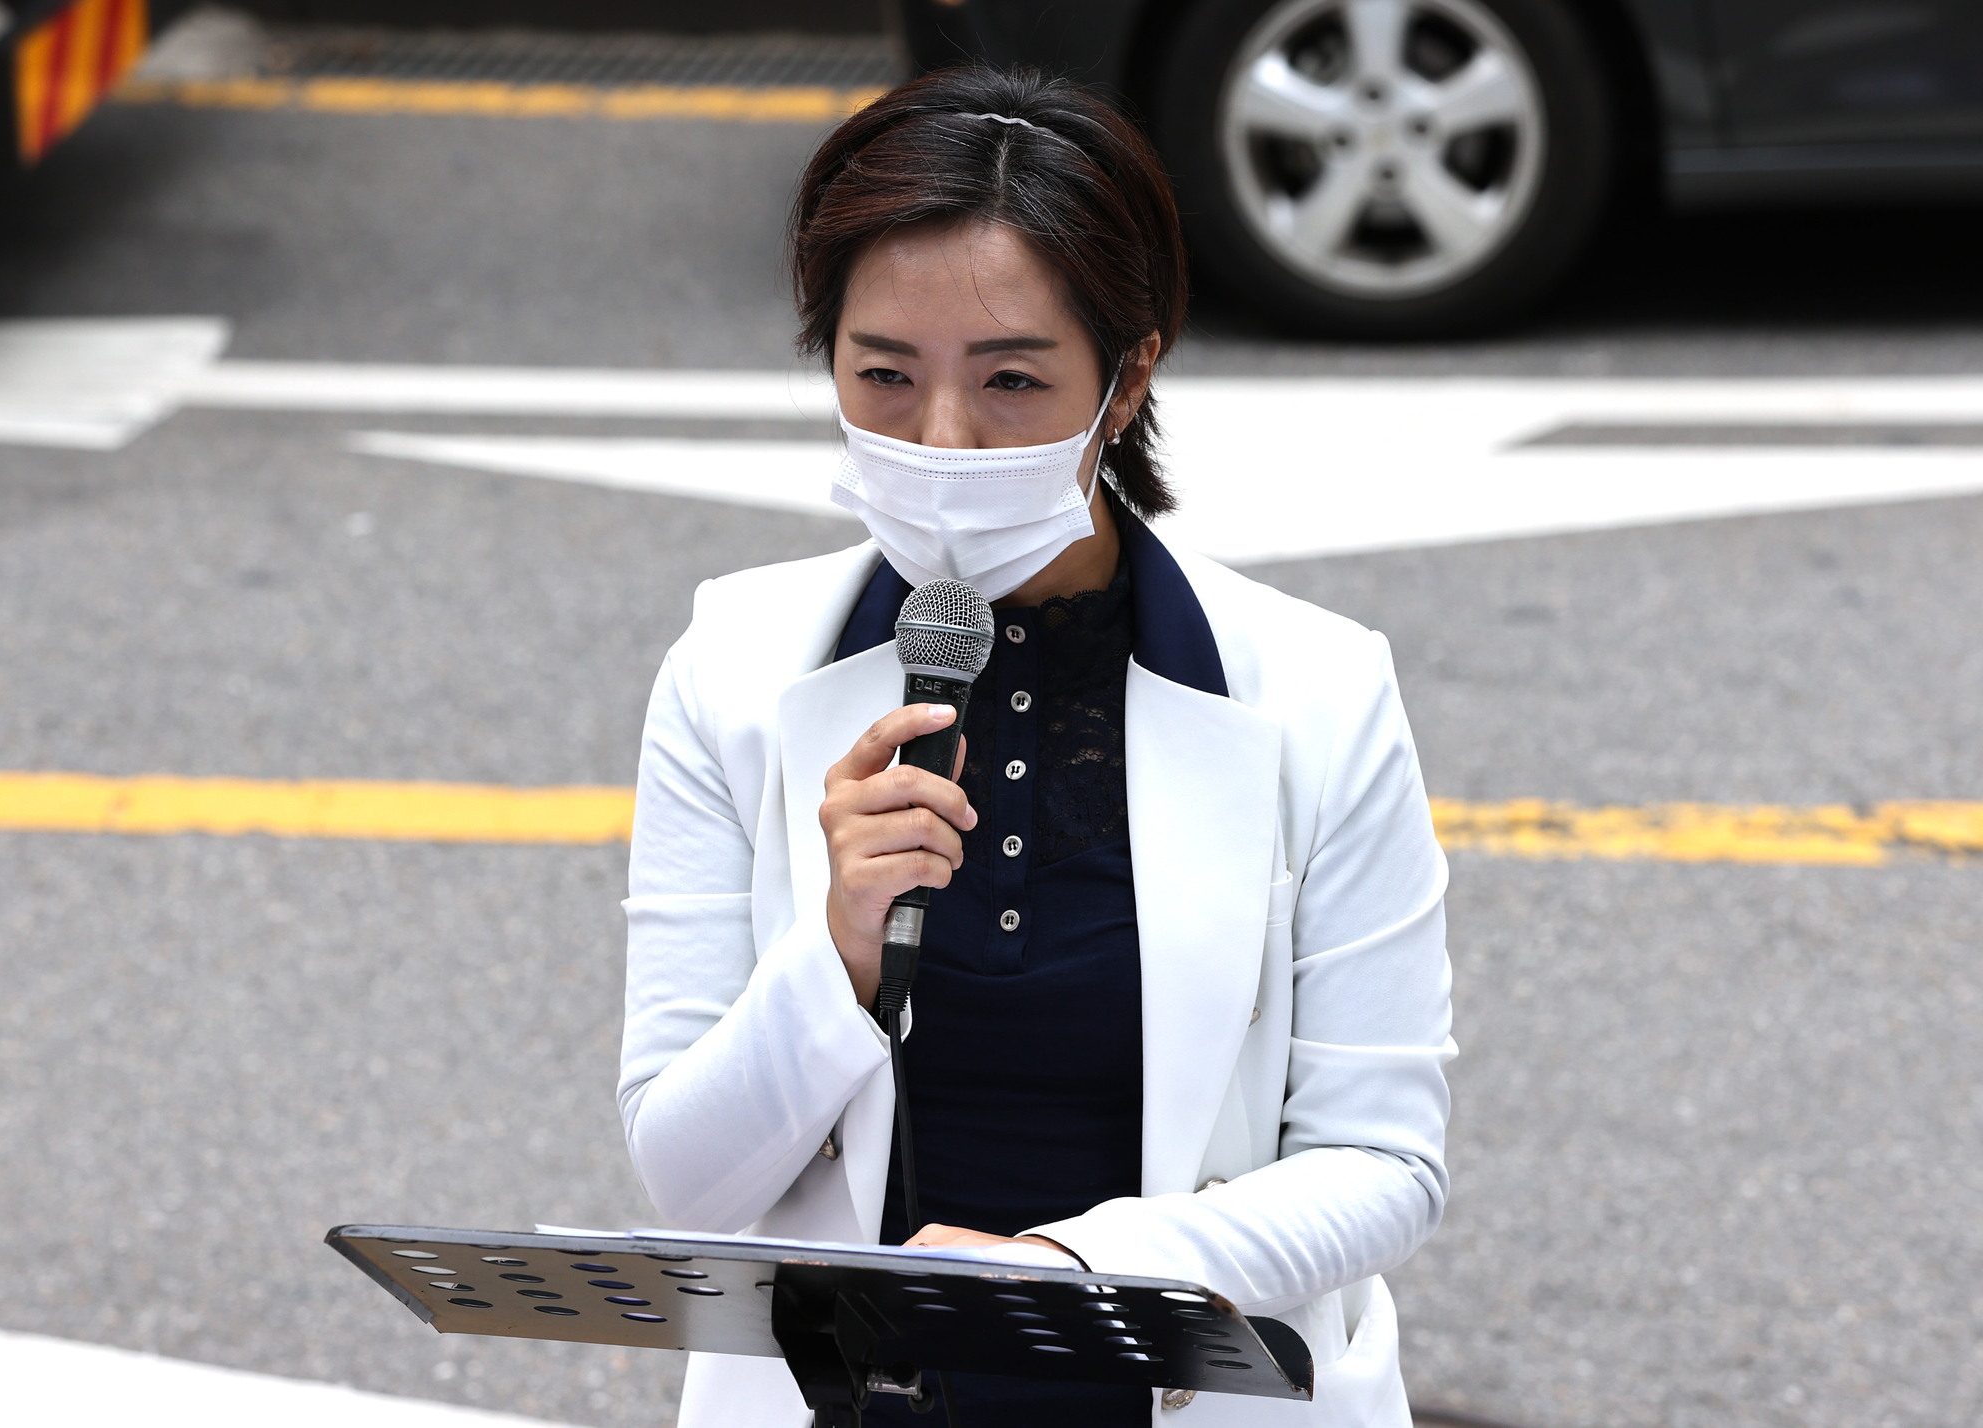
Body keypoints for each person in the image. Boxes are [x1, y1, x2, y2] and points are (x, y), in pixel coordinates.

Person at [618, 65, 1454, 1428]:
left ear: (1128, 383)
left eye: (1012, 379)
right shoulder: (734, 669)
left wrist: (1084, 1271)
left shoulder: (1317, 689)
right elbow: (689, 1181)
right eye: (883, 374)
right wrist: (833, 946)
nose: (942, 439)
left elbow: (1381, 1159)